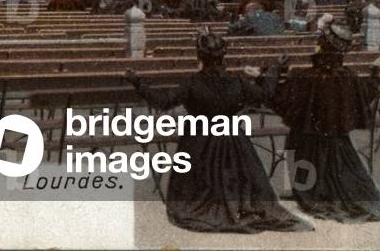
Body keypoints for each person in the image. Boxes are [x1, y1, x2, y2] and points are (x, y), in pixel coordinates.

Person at [124, 31, 311, 233]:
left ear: (200, 57)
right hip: (233, 143)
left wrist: (138, 82)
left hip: (198, 144)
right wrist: (274, 69)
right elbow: (265, 94)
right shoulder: (237, 82)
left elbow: (163, 101)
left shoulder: (192, 83)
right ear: (223, 56)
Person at [271, 22, 380, 222]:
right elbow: (368, 93)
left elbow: (278, 101)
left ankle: (311, 191)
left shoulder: (304, 76)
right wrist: (374, 70)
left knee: (300, 141)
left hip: (305, 143)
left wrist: (278, 71)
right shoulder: (349, 76)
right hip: (336, 139)